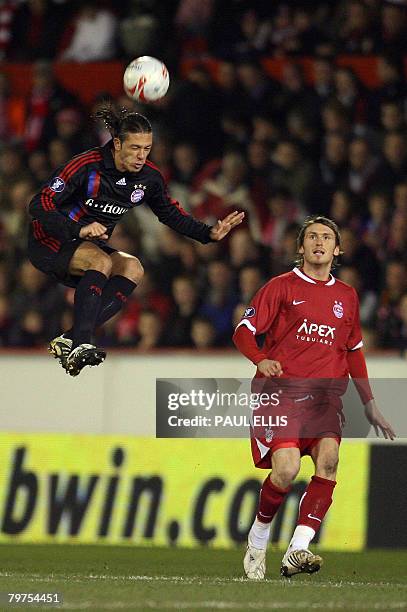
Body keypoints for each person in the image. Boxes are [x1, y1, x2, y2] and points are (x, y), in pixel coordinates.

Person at [233, 215, 394, 580]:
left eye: (326, 237)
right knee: (287, 469)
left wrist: (368, 402)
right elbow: (243, 332)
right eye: (312, 237)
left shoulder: (347, 297)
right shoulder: (281, 287)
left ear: (337, 249)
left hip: (325, 399)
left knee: (330, 462)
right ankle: (258, 537)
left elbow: (353, 351)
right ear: (300, 247)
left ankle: (298, 548)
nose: (319, 242)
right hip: (281, 394)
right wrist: (262, 359)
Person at [27, 104, 244, 376]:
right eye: (134, 148)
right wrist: (76, 229)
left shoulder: (148, 178)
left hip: (89, 245)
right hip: (49, 239)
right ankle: (82, 344)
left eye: (147, 149)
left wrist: (207, 233)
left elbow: (169, 213)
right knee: (101, 261)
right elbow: (39, 203)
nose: (141, 156)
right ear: (117, 144)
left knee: (133, 268)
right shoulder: (86, 165)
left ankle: (69, 338)